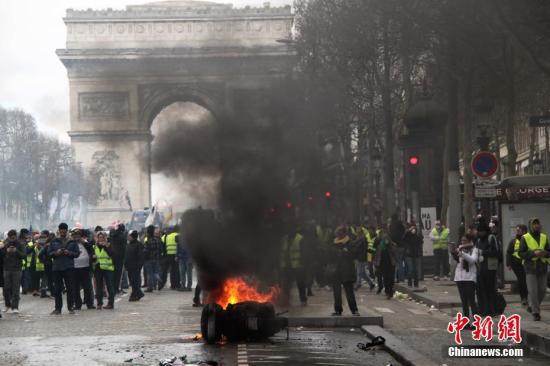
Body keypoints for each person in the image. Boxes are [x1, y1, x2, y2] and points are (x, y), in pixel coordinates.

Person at [519, 218, 549, 321]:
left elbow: (549, 251)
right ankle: (536, 312)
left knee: (542, 290)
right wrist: (533, 253)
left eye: (538, 223)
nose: (536, 225)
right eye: (534, 224)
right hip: (530, 268)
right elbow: (521, 253)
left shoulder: (544, 237)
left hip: (542, 267)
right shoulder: (525, 238)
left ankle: (532, 306)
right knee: (533, 291)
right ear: (530, 226)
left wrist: (545, 253)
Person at [47, 223, 80, 315]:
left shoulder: (72, 241)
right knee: (57, 289)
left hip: (69, 267)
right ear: (59, 230)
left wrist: (68, 252)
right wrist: (56, 253)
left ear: (66, 230)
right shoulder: (54, 241)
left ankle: (70, 307)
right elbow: (49, 253)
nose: (62, 231)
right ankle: (58, 308)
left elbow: (77, 254)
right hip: (57, 267)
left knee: (70, 289)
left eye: (64, 229)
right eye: (61, 229)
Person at [451, 233, 481, 327]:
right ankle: (466, 322)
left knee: (471, 300)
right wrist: (454, 253)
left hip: (470, 278)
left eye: (465, 240)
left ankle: (476, 322)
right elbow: (458, 262)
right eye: (462, 240)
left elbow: (472, 260)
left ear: (469, 240)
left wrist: (462, 254)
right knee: (464, 301)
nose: (463, 242)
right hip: (460, 278)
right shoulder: (460, 248)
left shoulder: (474, 249)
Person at [329, 225, 359, 316]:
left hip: (347, 270)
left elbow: (353, 254)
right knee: (337, 292)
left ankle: (354, 310)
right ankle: (338, 310)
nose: (338, 235)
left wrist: (344, 252)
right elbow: (329, 256)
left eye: (340, 233)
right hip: (336, 271)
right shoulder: (333, 243)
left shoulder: (350, 243)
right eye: (337, 233)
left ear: (344, 233)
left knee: (349, 291)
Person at [475, 220, 500, 317]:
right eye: (479, 231)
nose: (480, 233)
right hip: (481, 268)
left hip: (490, 268)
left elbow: (496, 252)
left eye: (482, 231)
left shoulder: (491, 238)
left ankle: (492, 309)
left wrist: (483, 252)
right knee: (482, 290)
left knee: (491, 289)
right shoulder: (478, 240)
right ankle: (484, 309)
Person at [280, 224, 308, 306]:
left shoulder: (300, 238)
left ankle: (303, 300)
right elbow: (282, 252)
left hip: (298, 266)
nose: (289, 231)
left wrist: (303, 264)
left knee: (300, 283)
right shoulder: (284, 238)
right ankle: (286, 300)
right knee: (286, 284)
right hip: (287, 265)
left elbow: (304, 252)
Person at [0, 229, 26, 314]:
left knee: (16, 289)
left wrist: (16, 251)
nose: (12, 239)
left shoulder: (20, 244)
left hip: (17, 269)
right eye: (11, 237)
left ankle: (15, 307)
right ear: (8, 237)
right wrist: (5, 250)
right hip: (6, 269)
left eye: (14, 237)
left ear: (16, 236)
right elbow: (1, 255)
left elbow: (24, 256)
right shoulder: (5, 243)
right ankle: (8, 304)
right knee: (6, 288)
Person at [506, 224, 529, 306]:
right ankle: (524, 298)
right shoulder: (513, 241)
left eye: (519, 230)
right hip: (516, 264)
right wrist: (508, 264)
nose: (517, 231)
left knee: (527, 281)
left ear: (524, 231)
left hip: (527, 263)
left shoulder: (528, 239)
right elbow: (509, 252)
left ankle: (527, 297)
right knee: (522, 280)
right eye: (517, 230)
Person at [72, 229, 95, 310]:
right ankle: (77, 304)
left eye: (78, 235)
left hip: (85, 268)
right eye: (75, 235)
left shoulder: (85, 243)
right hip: (74, 268)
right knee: (75, 288)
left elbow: (92, 250)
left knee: (87, 287)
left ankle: (89, 303)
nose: (77, 237)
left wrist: (84, 242)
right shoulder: (71, 244)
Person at [93, 231, 116, 309]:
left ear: (105, 238)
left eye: (102, 237)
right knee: (98, 286)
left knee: (110, 286)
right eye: (99, 237)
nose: (101, 239)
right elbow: (92, 257)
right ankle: (99, 303)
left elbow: (111, 254)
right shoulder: (95, 246)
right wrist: (92, 258)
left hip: (108, 268)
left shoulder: (109, 245)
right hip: (98, 268)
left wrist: (105, 246)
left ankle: (111, 303)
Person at [374, 228, 397, 299]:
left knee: (391, 279)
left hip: (391, 264)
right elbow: (377, 256)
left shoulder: (392, 245)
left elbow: (394, 252)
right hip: (383, 265)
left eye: (387, 239)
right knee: (385, 279)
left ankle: (390, 291)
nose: (386, 240)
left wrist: (389, 245)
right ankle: (387, 291)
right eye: (384, 239)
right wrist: (376, 264)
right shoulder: (380, 246)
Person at [125, 230, 144, 301]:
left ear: (133, 237)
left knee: (135, 282)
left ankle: (136, 294)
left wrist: (139, 266)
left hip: (135, 267)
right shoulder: (129, 244)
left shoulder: (139, 245)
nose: (128, 237)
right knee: (132, 282)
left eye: (129, 236)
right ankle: (137, 294)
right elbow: (126, 255)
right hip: (129, 267)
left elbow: (141, 257)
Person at [143, 225, 163, 293]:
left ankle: (150, 288)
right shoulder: (158, 240)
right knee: (156, 272)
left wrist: (144, 258)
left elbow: (145, 252)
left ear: (148, 233)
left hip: (149, 260)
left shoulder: (147, 241)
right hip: (156, 259)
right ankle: (158, 281)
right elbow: (161, 249)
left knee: (150, 274)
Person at [403, 223, 423, 288]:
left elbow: (421, 241)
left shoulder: (417, 236)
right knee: (410, 269)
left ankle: (416, 283)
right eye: (412, 228)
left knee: (416, 269)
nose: (413, 230)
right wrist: (408, 231)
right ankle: (409, 283)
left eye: (414, 228)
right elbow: (403, 238)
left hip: (416, 254)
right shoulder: (408, 235)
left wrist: (419, 234)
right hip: (409, 254)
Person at [110, 223, 127, 294]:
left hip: (112, 256)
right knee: (119, 274)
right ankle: (117, 288)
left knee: (113, 274)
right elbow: (124, 247)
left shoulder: (113, 235)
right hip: (120, 257)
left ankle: (113, 288)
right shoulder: (122, 236)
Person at [389, 214, 406, 283]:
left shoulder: (391, 225)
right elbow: (403, 232)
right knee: (400, 262)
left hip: (394, 245)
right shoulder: (401, 224)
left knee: (394, 263)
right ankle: (401, 278)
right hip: (401, 245)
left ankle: (395, 278)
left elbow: (391, 235)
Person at [31, 233, 48, 298]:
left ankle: (35, 290)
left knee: (36, 279)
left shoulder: (36, 245)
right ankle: (43, 291)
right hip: (44, 264)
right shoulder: (46, 245)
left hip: (36, 264)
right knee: (44, 278)